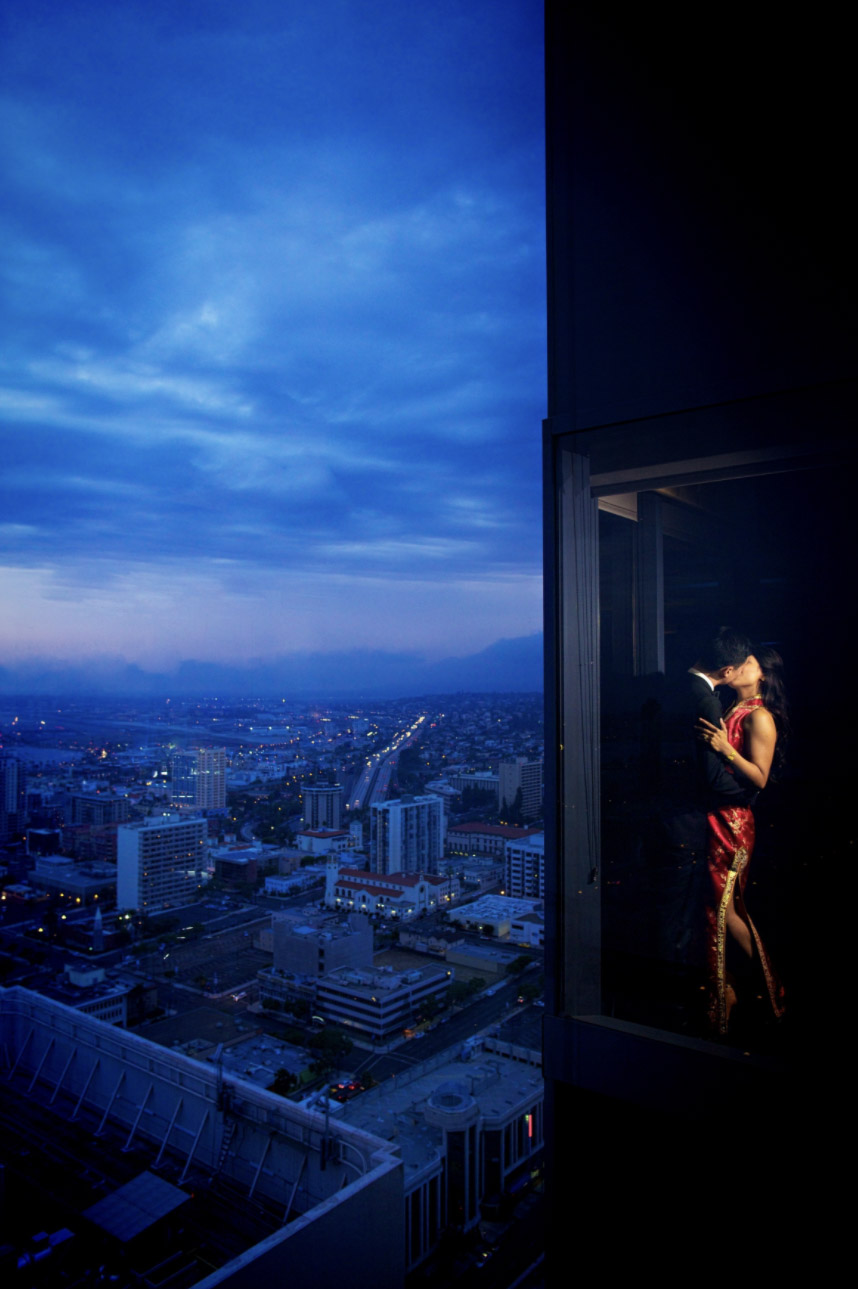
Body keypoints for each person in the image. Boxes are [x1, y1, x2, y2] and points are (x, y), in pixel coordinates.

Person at [698, 645, 787, 1036]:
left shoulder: (761, 716)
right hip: (717, 818)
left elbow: (760, 778)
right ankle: (737, 993)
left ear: (763, 674)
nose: (739, 666)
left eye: (749, 662)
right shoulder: (731, 707)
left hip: (733, 825)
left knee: (723, 913)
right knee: (720, 910)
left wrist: (725, 749)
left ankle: (766, 995)